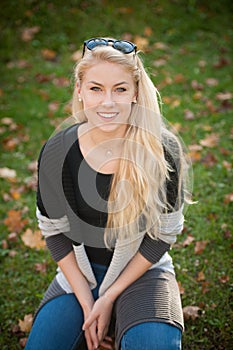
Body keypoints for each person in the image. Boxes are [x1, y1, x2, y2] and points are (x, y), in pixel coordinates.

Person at [25, 37, 192, 350]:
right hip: (81, 276)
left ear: (135, 93)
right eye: (95, 88)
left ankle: (125, 313)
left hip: (143, 273)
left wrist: (111, 295)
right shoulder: (58, 151)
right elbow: (54, 231)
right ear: (80, 90)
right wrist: (89, 304)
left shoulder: (162, 150)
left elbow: (164, 234)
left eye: (120, 89)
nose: (108, 102)